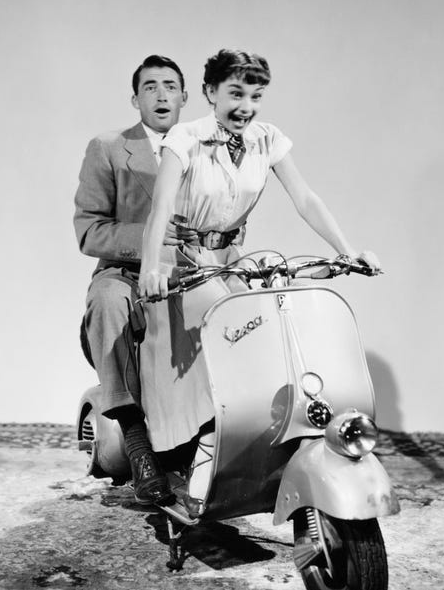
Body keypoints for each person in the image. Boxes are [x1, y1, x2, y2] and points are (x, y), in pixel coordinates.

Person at [138, 48, 380, 512]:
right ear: (210, 93)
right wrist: (152, 268)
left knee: (270, 331)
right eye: (235, 93)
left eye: (255, 95)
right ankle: (204, 455)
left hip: (231, 255)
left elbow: (305, 198)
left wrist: (347, 252)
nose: (245, 105)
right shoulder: (184, 139)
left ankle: (268, 449)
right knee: (223, 337)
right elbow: (161, 210)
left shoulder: (267, 139)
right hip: (185, 259)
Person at [74, 54, 191, 505]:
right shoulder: (107, 147)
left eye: (170, 86)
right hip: (126, 272)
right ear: (135, 98)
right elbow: (89, 229)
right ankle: (136, 442)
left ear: (185, 96)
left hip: (193, 272)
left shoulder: (206, 148)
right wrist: (152, 238)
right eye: (150, 87)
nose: (161, 94)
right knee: (107, 301)